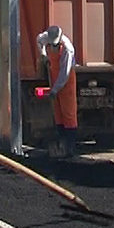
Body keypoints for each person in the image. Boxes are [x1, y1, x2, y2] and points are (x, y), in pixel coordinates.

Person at [36, 25, 77, 157]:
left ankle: (69, 146)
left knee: (68, 113)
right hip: (53, 75)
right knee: (58, 112)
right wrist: (43, 55)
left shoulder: (67, 49)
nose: (53, 47)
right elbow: (39, 41)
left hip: (66, 82)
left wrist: (55, 89)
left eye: (55, 45)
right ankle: (60, 140)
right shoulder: (45, 37)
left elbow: (64, 73)